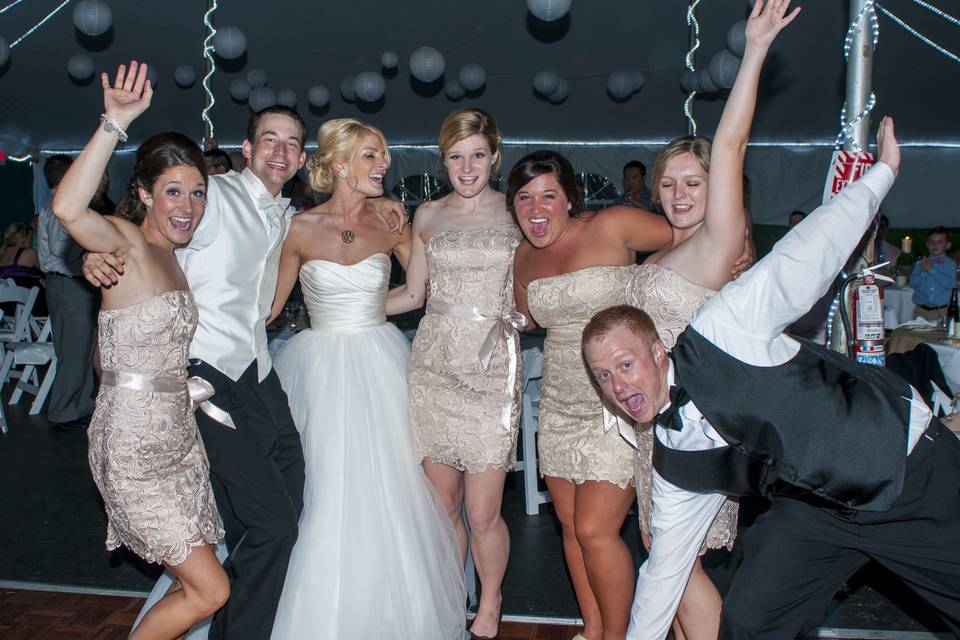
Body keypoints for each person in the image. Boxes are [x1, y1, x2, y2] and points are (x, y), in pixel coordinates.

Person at [583, 117, 960, 640]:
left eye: (626, 365)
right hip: (813, 512)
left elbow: (807, 253)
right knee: (750, 624)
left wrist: (883, 173)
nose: (619, 386)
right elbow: (663, 574)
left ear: (657, 347)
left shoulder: (725, 325)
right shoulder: (673, 460)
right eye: (604, 377)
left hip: (907, 471)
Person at [84, 103, 315, 640]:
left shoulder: (287, 212)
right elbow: (142, 236)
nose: (280, 151)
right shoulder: (210, 197)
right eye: (269, 139)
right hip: (204, 375)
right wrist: (93, 258)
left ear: (302, 158)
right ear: (247, 148)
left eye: (291, 143)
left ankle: (232, 625)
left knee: (288, 499)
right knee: (272, 524)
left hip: (257, 370)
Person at [622, 4, 797, 637]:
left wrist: (753, 52)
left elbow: (732, 142)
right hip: (656, 424)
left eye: (693, 182)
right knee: (663, 552)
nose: (678, 193)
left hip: (696, 425)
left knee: (675, 565)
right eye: (668, 183)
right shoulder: (667, 248)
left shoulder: (715, 244)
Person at [268, 117, 467, 639]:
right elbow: (267, 308)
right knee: (325, 485)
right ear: (338, 165)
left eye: (383, 155)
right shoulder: (298, 229)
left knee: (394, 486)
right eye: (370, 156)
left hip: (382, 360)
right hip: (318, 368)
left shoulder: (391, 222)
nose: (384, 164)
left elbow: (422, 290)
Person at [53, 61, 227, 640]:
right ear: (145, 193)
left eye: (197, 192)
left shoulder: (177, 257)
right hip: (132, 443)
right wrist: (115, 121)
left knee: (190, 585)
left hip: (178, 437)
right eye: (172, 190)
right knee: (210, 589)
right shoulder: (123, 242)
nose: (188, 204)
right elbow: (69, 210)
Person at [511, 149, 673, 640]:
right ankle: (595, 628)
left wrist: (737, 249)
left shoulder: (613, 225)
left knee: (596, 530)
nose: (536, 209)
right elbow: (531, 319)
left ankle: (620, 635)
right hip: (559, 403)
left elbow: (690, 230)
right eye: (524, 198)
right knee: (570, 527)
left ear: (570, 198)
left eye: (548, 196)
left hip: (616, 400)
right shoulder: (522, 257)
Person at [387, 108, 522, 639]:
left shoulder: (516, 214)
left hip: (492, 369)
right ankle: (450, 600)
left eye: (477, 155)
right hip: (435, 365)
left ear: (494, 156)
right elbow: (414, 295)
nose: (467, 167)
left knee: (483, 510)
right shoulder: (427, 216)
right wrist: (350, 304)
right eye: (455, 156)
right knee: (442, 505)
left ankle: (491, 601)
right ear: (443, 160)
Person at [37, 153, 100, 429]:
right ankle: (62, 410)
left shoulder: (57, 205)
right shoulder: (58, 207)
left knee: (84, 348)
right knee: (73, 349)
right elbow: (61, 250)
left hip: (75, 283)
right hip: (67, 282)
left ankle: (80, 406)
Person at [909, 226, 955, 322]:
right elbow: (913, 283)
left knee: (938, 336)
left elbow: (950, 285)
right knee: (917, 335)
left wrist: (931, 270)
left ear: (948, 245)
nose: (934, 245)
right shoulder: (920, 263)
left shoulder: (951, 264)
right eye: (931, 241)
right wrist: (923, 271)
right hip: (921, 311)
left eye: (939, 242)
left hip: (942, 311)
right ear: (927, 244)